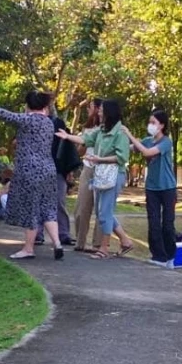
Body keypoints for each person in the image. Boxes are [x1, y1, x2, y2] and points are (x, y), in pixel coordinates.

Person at [0, 92, 64, 260]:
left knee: (31, 209)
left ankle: (28, 249)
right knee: (48, 208)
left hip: (30, 170)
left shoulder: (27, 120)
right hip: (48, 170)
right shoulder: (49, 123)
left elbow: (7, 115)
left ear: (28, 105)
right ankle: (57, 243)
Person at [56, 99, 134, 258]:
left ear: (108, 112)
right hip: (101, 174)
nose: (99, 112)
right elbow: (85, 140)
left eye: (102, 110)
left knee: (105, 212)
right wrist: (67, 136)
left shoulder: (120, 133)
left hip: (114, 175)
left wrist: (100, 159)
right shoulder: (101, 130)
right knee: (101, 212)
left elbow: (121, 157)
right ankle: (125, 241)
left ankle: (103, 248)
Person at [126, 108, 177, 268]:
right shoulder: (147, 140)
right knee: (153, 222)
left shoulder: (166, 142)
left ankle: (170, 255)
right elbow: (131, 148)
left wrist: (130, 135)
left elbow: (148, 153)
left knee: (167, 224)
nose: (150, 125)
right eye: (150, 122)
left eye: (153, 122)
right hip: (152, 188)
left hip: (168, 188)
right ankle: (158, 256)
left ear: (162, 125)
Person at [71, 99, 103, 252]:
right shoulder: (87, 128)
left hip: (103, 169)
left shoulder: (107, 128)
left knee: (101, 208)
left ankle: (97, 244)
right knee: (81, 207)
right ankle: (80, 241)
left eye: (90, 107)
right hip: (88, 168)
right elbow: (80, 151)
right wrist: (80, 144)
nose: (88, 110)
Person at [51, 111, 82, 246]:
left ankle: (63, 234)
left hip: (58, 169)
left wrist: (69, 170)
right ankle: (37, 234)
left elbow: (67, 148)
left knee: (59, 202)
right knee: (39, 202)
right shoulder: (35, 122)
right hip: (43, 168)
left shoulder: (58, 124)